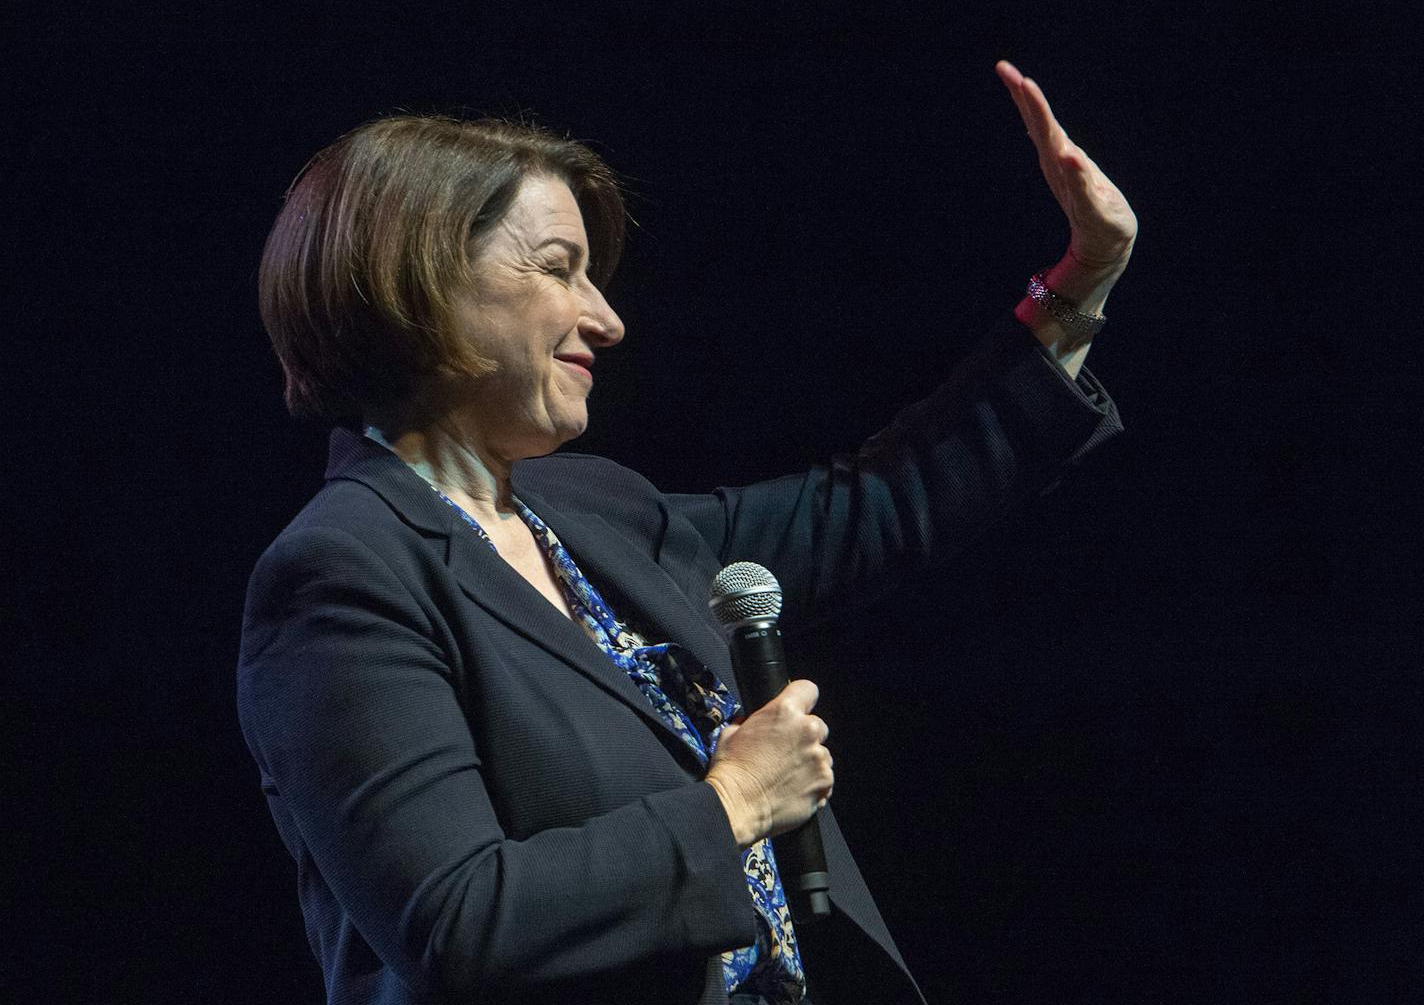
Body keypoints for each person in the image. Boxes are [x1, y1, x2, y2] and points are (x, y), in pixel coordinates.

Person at [237, 60, 1135, 1005]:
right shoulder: (341, 575)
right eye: (558, 270)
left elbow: (870, 508)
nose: (608, 319)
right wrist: (736, 803)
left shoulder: (597, 513)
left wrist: (1079, 282)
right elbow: (460, 922)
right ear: (418, 279)